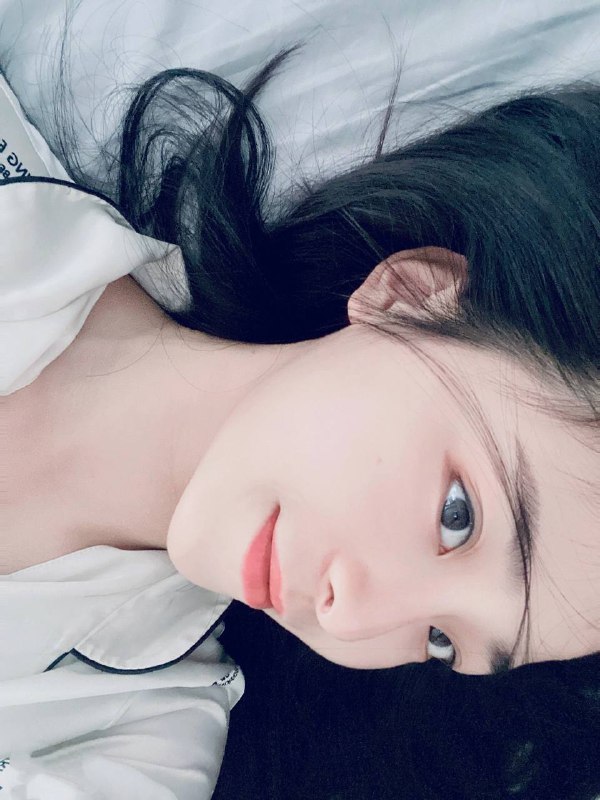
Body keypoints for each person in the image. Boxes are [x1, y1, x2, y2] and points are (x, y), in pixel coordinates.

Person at [0, 37, 598, 799]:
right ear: (413, 295)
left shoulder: (123, 738)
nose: (354, 621)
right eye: (458, 515)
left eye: (442, 641)